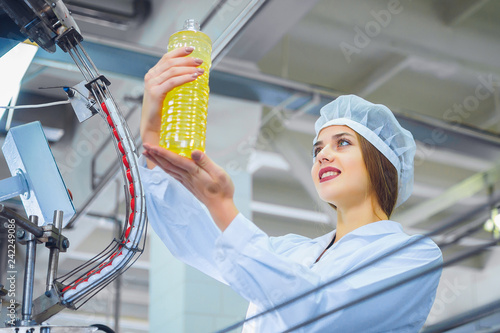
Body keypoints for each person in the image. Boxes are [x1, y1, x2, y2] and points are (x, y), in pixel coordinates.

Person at [139, 47, 443, 332]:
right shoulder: (291, 252)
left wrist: (223, 206)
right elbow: (193, 236)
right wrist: (152, 129)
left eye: (343, 143)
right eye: (317, 149)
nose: (323, 154)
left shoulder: (413, 255)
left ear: (382, 163)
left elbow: (319, 312)